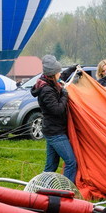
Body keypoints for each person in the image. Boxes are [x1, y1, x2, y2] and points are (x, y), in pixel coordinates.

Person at [31, 54, 76, 183]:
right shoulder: (47, 90)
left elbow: (61, 76)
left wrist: (72, 69)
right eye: (58, 72)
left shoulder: (48, 81)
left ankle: (40, 188)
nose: (60, 74)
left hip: (51, 130)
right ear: (52, 74)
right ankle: (67, 192)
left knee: (51, 166)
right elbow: (57, 110)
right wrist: (64, 95)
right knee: (71, 162)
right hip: (55, 132)